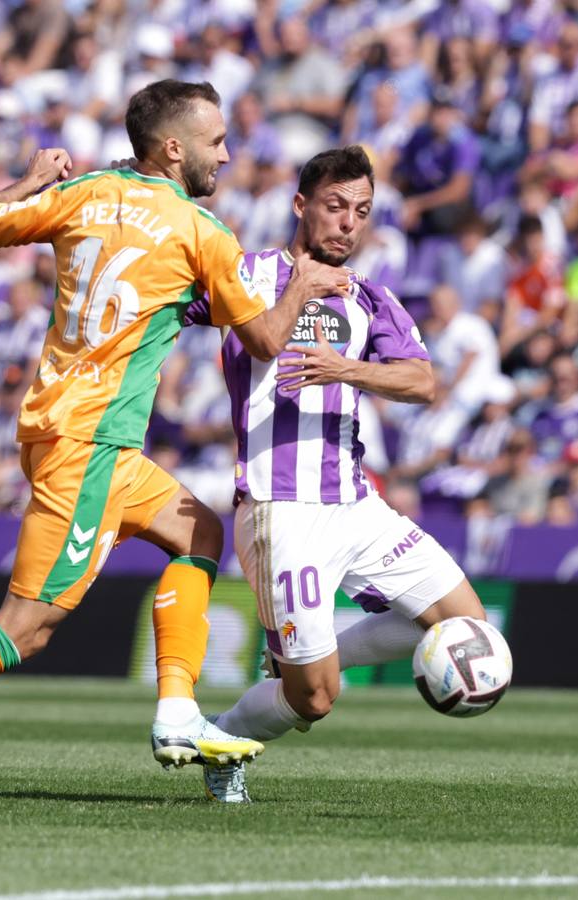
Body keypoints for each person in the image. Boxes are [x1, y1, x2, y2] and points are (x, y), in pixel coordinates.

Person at [0, 80, 348, 803]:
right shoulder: (201, 231)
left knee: (199, 534)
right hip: (91, 443)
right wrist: (303, 285)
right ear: (173, 148)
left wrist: (31, 180)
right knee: (26, 627)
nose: (225, 154)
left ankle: (177, 712)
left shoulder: (86, 193)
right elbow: (268, 340)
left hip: (69, 432)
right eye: (215, 141)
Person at [187, 146, 487, 803]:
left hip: (356, 505)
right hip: (280, 509)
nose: (349, 223)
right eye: (335, 206)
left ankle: (317, 653)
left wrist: (345, 369)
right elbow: (180, 308)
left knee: (469, 627)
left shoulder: (370, 296)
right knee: (315, 699)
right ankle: (222, 739)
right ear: (301, 205)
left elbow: (422, 381)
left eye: (362, 211)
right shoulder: (248, 273)